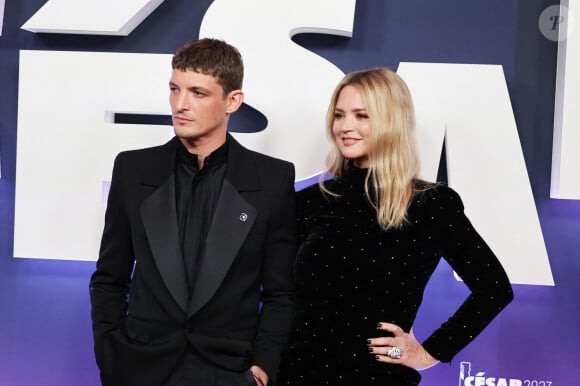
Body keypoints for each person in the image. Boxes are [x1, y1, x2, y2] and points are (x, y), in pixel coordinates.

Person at [275, 67, 513, 385]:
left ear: (391, 121)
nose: (345, 127)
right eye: (339, 115)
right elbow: (278, 297)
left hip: (375, 378)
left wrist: (427, 352)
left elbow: (494, 289)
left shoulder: (430, 204)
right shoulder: (309, 201)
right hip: (295, 375)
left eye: (362, 116)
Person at [89, 38, 297, 386]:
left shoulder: (272, 179)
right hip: (140, 368)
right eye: (174, 89)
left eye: (198, 93)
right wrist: (110, 353)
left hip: (228, 371)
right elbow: (110, 277)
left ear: (232, 101)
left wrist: (261, 370)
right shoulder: (133, 169)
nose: (180, 105)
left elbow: (280, 293)